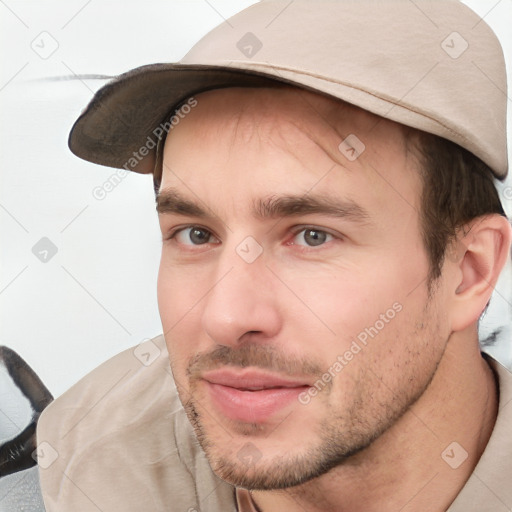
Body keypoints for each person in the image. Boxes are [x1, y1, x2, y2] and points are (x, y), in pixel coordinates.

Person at [36, 1, 512, 511]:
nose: (226, 317)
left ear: (469, 271)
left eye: (311, 236)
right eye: (196, 234)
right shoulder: (57, 489)